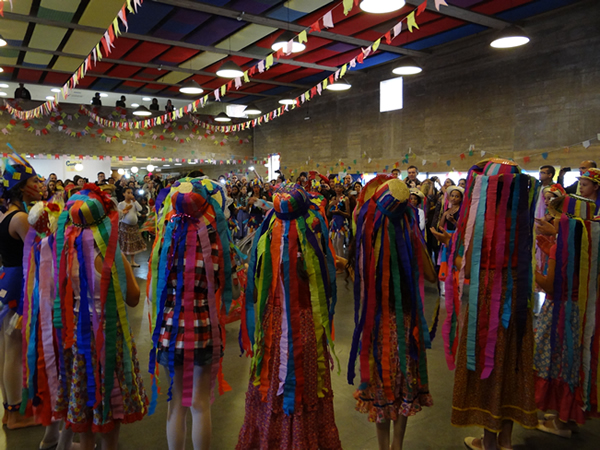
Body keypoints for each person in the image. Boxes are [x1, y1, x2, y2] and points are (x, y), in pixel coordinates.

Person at [432, 159, 539, 450]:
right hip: (518, 299)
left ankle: (488, 441)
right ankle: (505, 439)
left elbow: (470, 266)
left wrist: (451, 249)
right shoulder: (520, 221)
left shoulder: (483, 225)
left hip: (487, 303)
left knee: (488, 360)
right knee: (512, 365)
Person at [237, 184, 342, 450]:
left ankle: (271, 440)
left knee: (271, 383)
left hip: (272, 326)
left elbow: (256, 286)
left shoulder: (267, 244)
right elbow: (325, 283)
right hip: (305, 326)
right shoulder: (312, 247)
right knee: (304, 386)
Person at [54, 184, 147, 450]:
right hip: (109, 336)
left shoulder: (66, 254)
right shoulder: (110, 256)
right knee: (109, 396)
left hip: (79, 338)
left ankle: (86, 446)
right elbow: (133, 297)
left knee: (83, 393)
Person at [147, 178, 237, 450]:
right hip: (203, 328)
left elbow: (154, 289)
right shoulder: (215, 239)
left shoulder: (165, 240)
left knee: (176, 404)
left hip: (169, 330)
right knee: (199, 404)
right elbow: (226, 283)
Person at [349, 176, 436, 450]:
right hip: (407, 325)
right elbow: (432, 277)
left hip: (378, 326)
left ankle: (383, 446)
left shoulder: (368, 239)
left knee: (382, 386)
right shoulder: (411, 238)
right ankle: (397, 446)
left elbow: (359, 281)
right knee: (404, 386)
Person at [533, 194, 600, 438]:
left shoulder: (563, 249)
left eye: (559, 216)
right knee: (573, 364)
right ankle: (568, 414)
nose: (552, 218)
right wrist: (551, 246)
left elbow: (551, 286)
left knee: (558, 362)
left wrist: (531, 269)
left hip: (559, 314)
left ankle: (561, 423)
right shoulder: (588, 245)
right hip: (579, 314)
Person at [22, 198, 76, 450]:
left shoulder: (36, 246)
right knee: (68, 378)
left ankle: (51, 438)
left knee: (50, 375)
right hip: (63, 324)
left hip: (42, 324)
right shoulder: (63, 248)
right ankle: (63, 442)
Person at [0, 152, 41, 429]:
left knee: (6, 348)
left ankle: (9, 411)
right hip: (19, 282)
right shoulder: (22, 217)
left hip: (6, 279)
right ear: (22, 186)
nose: (39, 185)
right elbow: (38, 255)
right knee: (13, 348)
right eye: (34, 181)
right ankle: (14, 414)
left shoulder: (4, 216)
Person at [118, 187, 146, 267]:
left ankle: (132, 261)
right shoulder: (121, 204)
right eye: (128, 192)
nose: (130, 194)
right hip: (125, 226)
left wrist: (134, 200)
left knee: (133, 243)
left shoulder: (134, 203)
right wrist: (124, 212)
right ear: (124, 194)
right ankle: (125, 261)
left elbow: (140, 209)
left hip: (134, 226)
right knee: (126, 244)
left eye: (131, 192)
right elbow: (118, 215)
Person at [327, 178, 350, 257]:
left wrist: (340, 212)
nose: (337, 189)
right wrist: (330, 205)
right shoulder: (333, 198)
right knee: (334, 244)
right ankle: (336, 262)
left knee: (339, 244)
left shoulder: (345, 198)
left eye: (339, 187)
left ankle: (341, 263)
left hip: (341, 223)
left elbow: (348, 214)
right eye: (336, 187)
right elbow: (328, 213)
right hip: (334, 223)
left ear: (343, 188)